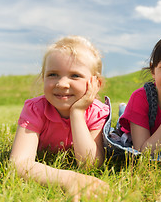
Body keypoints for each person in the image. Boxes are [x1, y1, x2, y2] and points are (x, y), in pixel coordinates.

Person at [10, 36, 109, 200]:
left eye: (75, 75)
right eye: (53, 74)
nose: (62, 84)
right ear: (43, 77)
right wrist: (69, 179)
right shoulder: (35, 109)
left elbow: (90, 165)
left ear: (95, 84)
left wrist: (77, 113)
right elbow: (18, 164)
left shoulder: (97, 112)